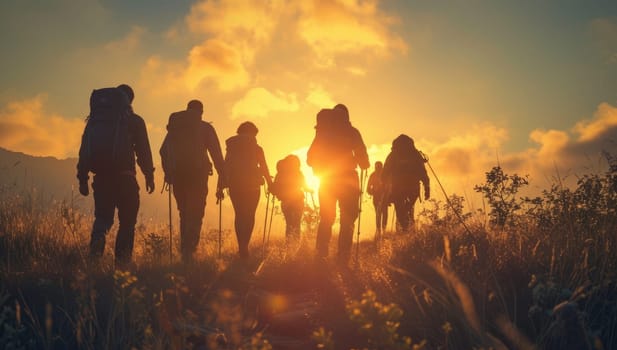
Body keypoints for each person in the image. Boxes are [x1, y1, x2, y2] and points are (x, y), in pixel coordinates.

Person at [77, 84, 155, 269]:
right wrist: (149, 176)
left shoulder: (94, 121)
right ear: (129, 100)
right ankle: (122, 266)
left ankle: (94, 260)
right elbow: (143, 150)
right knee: (127, 222)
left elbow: (84, 151)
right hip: (126, 179)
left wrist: (82, 178)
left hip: (101, 179)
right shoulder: (134, 121)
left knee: (103, 219)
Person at [159, 100, 225, 263]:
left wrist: (168, 173)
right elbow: (216, 153)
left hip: (178, 176)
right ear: (201, 112)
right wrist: (223, 176)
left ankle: (185, 252)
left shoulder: (175, 128)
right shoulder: (205, 128)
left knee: (184, 214)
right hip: (197, 176)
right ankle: (190, 253)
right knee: (195, 214)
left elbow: (162, 151)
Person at [307, 104, 370, 264]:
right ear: (347, 116)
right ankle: (343, 257)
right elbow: (363, 159)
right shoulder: (352, 131)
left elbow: (309, 158)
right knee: (348, 218)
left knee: (327, 217)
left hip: (327, 180)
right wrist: (362, 163)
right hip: (348, 179)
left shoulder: (322, 133)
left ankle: (321, 255)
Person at [223, 121, 272, 260]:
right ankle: (245, 245)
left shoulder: (231, 147)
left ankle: (241, 246)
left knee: (239, 215)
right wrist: (270, 184)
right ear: (254, 133)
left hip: (235, 185)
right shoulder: (257, 148)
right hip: (253, 185)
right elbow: (264, 167)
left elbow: (226, 166)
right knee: (249, 215)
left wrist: (220, 185)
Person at [382, 134, 430, 233]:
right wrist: (427, 189)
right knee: (409, 209)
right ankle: (409, 231)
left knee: (400, 211)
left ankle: (403, 231)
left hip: (397, 189)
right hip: (413, 188)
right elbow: (423, 172)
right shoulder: (415, 154)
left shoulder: (393, 155)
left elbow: (384, 173)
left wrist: (385, 192)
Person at [270, 154, 310, 242]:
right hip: (298, 201)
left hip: (285, 202)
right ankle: (295, 244)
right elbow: (304, 185)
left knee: (289, 224)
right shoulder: (298, 173)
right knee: (296, 224)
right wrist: (309, 190)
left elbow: (275, 187)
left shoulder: (280, 173)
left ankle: (289, 243)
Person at [367, 161, 389, 241]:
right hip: (378, 196)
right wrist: (373, 191)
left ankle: (381, 230)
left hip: (383, 196)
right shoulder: (374, 175)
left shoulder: (374, 175)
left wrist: (372, 191)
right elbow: (368, 188)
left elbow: (368, 189)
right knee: (381, 213)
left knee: (381, 213)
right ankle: (381, 230)